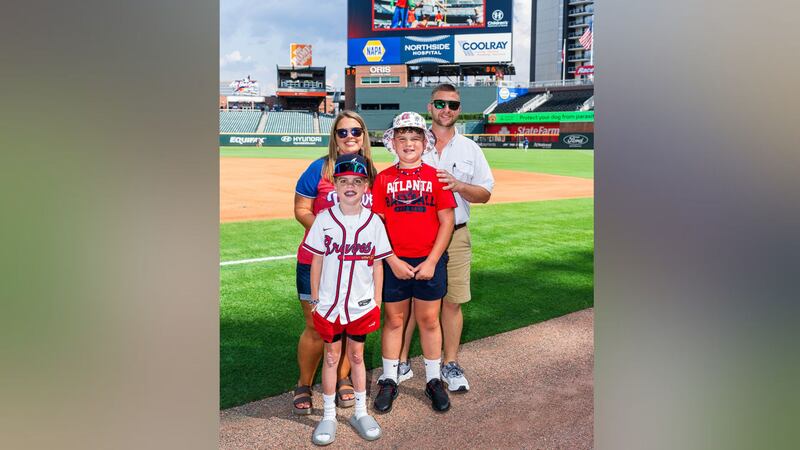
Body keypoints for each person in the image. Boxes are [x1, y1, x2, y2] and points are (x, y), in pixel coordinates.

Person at [397, 83, 494, 393]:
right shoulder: (413, 142)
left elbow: (485, 193)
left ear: (458, 109)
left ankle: (450, 363)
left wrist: (458, 185)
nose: (446, 109)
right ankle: (399, 362)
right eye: (440, 103)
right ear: (430, 107)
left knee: (452, 303)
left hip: (456, 235)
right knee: (412, 303)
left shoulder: (470, 149)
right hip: (416, 234)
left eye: (452, 105)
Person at [292, 111, 378, 415]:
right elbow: (301, 208)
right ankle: (304, 383)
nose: (349, 137)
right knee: (317, 327)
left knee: (348, 325)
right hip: (316, 261)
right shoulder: (318, 169)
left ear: (364, 136)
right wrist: (327, 234)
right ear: (334, 137)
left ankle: (342, 379)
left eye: (356, 131)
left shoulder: (371, 172)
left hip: (356, 266)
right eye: (343, 132)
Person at [371, 111, 456, 413]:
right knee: (394, 320)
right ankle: (389, 378)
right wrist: (391, 259)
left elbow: (447, 221)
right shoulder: (383, 179)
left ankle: (433, 380)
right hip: (394, 261)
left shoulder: (436, 177)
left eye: (415, 138)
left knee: (429, 320)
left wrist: (432, 261)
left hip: (428, 260)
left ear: (425, 143)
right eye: (402, 138)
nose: (408, 144)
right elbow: (377, 224)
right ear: (392, 143)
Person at [306, 153, 391, 446]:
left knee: (356, 356)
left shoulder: (374, 222)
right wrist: (315, 299)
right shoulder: (323, 219)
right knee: (331, 357)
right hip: (329, 303)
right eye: (344, 182)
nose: (350, 187)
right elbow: (316, 260)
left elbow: (378, 264)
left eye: (357, 181)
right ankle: (329, 415)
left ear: (366, 186)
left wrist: (377, 300)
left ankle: (360, 412)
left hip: (361, 303)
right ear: (336, 186)